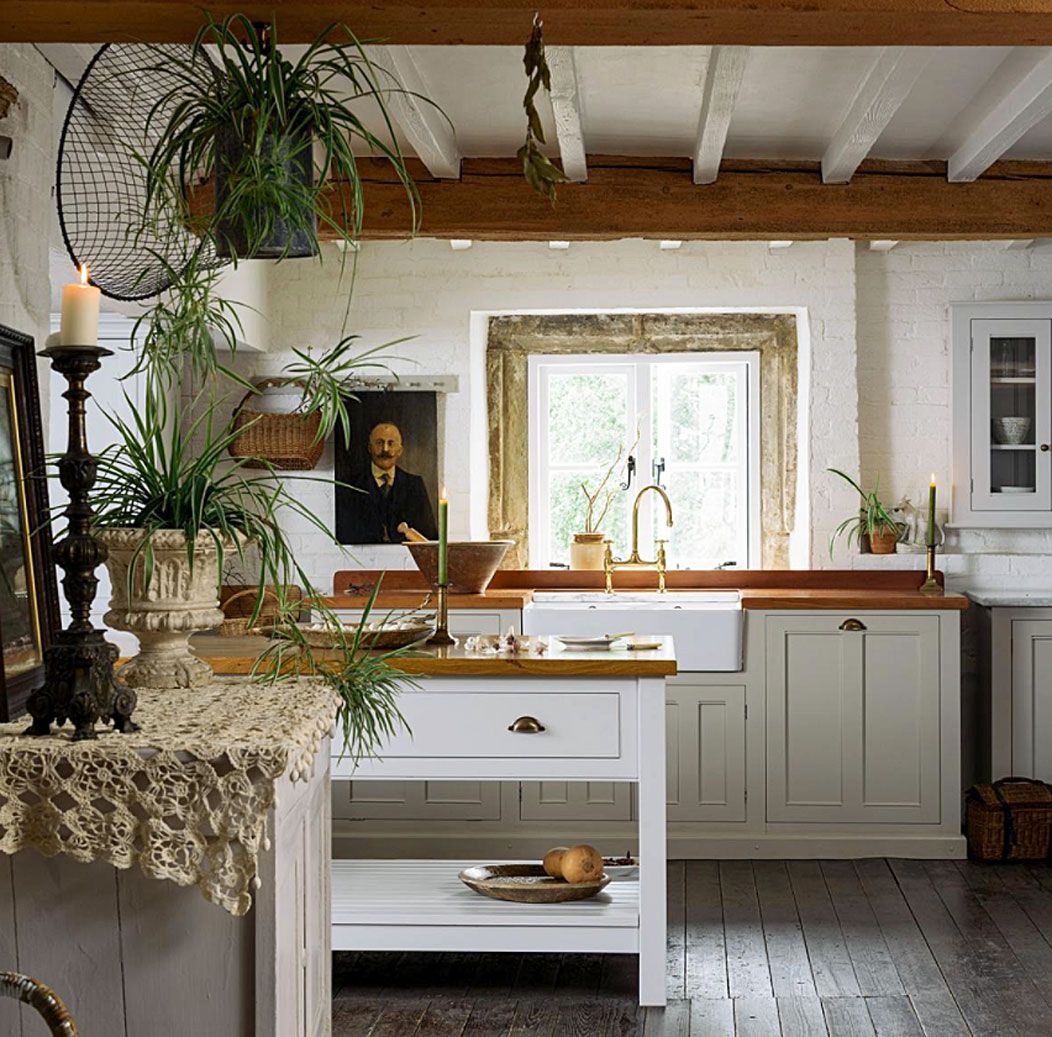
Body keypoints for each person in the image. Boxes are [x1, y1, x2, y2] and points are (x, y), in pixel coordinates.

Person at [343, 421, 438, 544]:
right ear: (369, 448)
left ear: (400, 450)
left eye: (391, 443)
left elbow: (429, 537)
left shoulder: (415, 485)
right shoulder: (350, 485)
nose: (385, 449)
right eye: (379, 443)